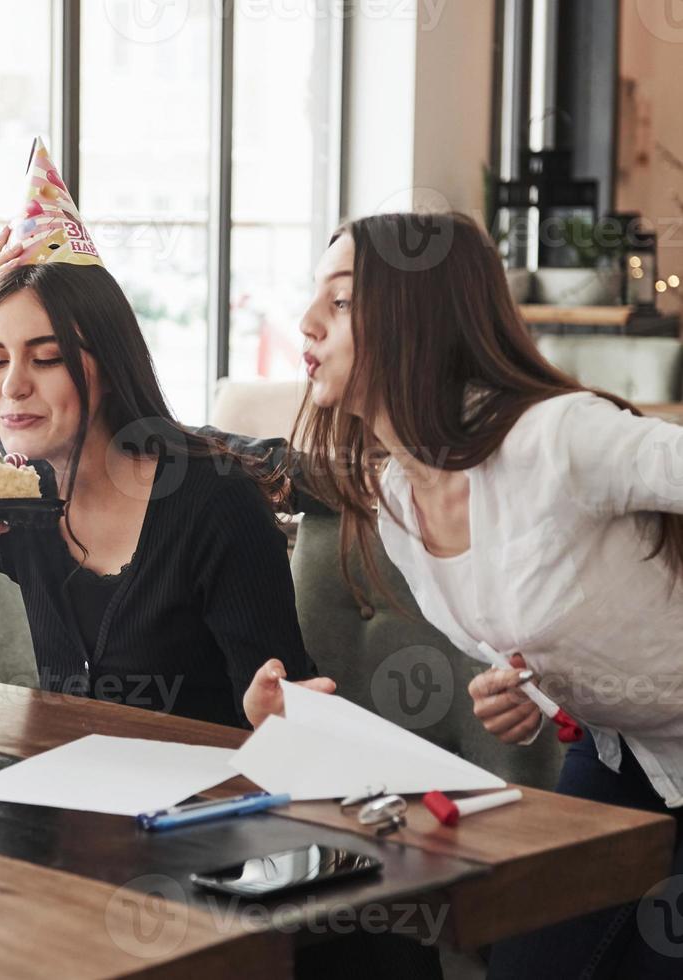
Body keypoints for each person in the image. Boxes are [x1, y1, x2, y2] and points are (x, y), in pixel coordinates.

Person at [291, 210, 683, 978]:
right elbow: (553, 616)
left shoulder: (555, 438)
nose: (307, 321)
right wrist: (531, 695)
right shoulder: (397, 500)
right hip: (621, 756)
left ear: (418, 320)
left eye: (340, 302)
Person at [0, 225, 331, 729]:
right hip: (58, 809)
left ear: (112, 368)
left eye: (46, 359)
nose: (12, 387)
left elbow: (286, 713)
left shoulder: (216, 503)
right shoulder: (15, 501)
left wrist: (274, 718)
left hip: (200, 812)